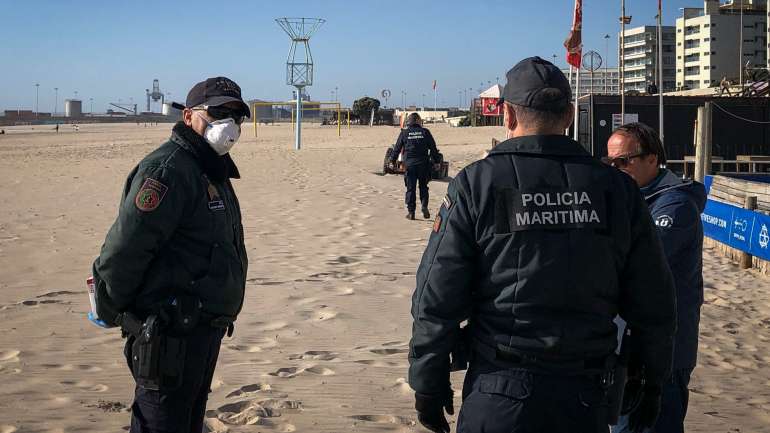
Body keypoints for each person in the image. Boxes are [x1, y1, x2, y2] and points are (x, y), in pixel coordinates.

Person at [407, 57, 677, 433]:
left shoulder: (477, 184)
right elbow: (654, 299)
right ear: (569, 116)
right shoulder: (618, 189)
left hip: (502, 390)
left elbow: (437, 295)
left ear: (508, 117)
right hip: (586, 396)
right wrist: (652, 380)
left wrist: (428, 382)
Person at [91, 76, 250, 433]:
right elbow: (127, 247)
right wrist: (108, 303)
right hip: (169, 335)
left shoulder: (210, 168)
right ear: (189, 115)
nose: (231, 124)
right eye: (220, 112)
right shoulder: (168, 170)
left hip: (203, 333)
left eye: (238, 116)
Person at [606, 123, 706, 433]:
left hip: (664, 352)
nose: (616, 169)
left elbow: (639, 262)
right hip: (627, 344)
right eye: (610, 162)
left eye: (624, 161)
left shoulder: (676, 205)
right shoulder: (628, 199)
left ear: (653, 159)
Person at [390, 112, 439, 220]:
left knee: (410, 189)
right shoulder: (425, 132)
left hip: (410, 166)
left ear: (409, 121)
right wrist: (437, 162)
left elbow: (397, 148)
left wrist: (392, 161)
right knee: (423, 187)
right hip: (423, 165)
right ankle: (424, 206)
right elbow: (433, 148)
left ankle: (411, 212)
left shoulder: (404, 133)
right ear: (418, 121)